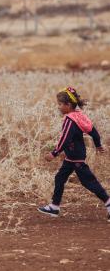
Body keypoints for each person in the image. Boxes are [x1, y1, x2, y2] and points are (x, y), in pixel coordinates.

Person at [38, 87, 110, 221]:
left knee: (88, 181)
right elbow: (94, 132)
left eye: (60, 104)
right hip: (73, 156)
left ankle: (108, 202)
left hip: (75, 157)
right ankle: (54, 206)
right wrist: (98, 145)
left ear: (68, 105)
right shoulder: (80, 116)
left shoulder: (70, 120)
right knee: (60, 178)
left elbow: (64, 139)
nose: (58, 107)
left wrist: (54, 153)